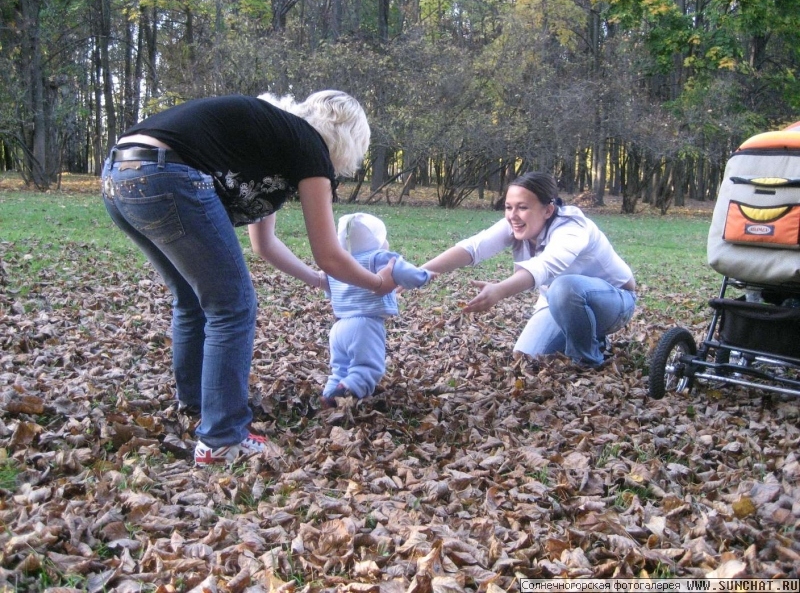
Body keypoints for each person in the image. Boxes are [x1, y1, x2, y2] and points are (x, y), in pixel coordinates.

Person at [101, 90, 398, 466]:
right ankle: (222, 438)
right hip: (166, 174)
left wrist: (317, 279)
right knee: (233, 306)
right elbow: (329, 252)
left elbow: (265, 244)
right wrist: (377, 283)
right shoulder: (309, 146)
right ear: (349, 139)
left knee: (193, 299)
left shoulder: (274, 141)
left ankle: (199, 404)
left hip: (120, 176)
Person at [420, 171, 636, 368]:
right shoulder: (516, 225)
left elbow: (545, 266)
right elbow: (474, 248)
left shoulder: (573, 227)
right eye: (508, 207)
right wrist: (418, 272)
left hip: (615, 302)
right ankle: (585, 336)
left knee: (564, 286)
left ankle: (588, 360)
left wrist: (499, 291)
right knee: (525, 358)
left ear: (548, 210)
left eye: (522, 207)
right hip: (558, 302)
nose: (513, 215)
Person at [321, 213, 433, 408]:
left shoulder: (338, 265)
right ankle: (348, 390)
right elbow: (405, 272)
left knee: (340, 367)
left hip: (338, 328)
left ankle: (330, 392)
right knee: (368, 367)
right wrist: (425, 275)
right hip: (365, 325)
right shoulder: (378, 258)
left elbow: (330, 292)